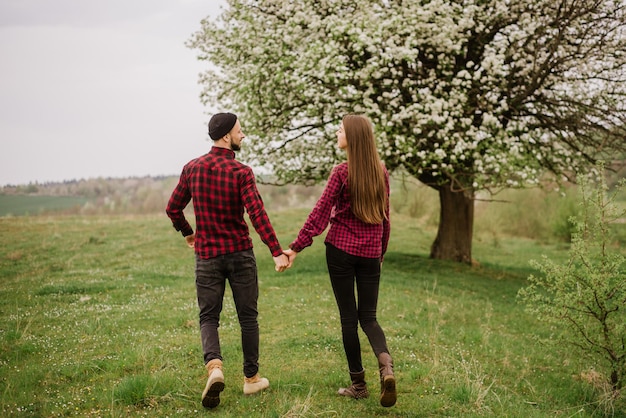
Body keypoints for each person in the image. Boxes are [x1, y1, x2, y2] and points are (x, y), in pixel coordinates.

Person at [166, 112, 290, 409]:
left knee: (209, 317)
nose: (242, 135)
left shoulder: (192, 168)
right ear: (226, 137)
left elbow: (173, 208)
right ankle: (251, 379)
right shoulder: (241, 172)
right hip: (239, 254)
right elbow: (257, 213)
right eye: (239, 131)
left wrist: (188, 233)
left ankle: (215, 367)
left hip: (207, 255)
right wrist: (276, 250)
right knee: (248, 317)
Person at [284, 114, 397, 407]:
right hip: (371, 253)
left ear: (353, 138)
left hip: (341, 251)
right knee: (369, 317)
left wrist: (296, 247)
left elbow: (320, 213)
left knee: (349, 318)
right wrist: (380, 253)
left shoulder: (341, 172)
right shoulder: (381, 171)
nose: (337, 132)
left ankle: (359, 385)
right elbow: (385, 219)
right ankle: (386, 366)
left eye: (341, 129)